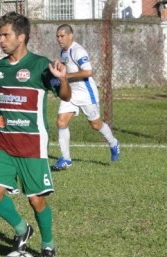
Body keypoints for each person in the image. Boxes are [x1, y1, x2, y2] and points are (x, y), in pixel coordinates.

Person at [0, 12, 71, 257]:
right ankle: (22, 229)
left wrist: (62, 79)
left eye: (6, 34)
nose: (1, 40)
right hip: (3, 142)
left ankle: (48, 245)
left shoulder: (40, 65)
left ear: (21, 37)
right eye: (0, 35)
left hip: (32, 144)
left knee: (36, 199)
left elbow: (64, 96)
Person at [51, 24, 120, 171]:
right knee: (61, 122)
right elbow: (67, 64)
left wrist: (66, 76)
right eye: (57, 36)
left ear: (71, 36)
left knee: (95, 124)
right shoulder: (64, 51)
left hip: (86, 93)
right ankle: (66, 159)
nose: (59, 39)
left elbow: (88, 72)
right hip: (71, 92)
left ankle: (113, 143)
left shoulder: (78, 51)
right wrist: (59, 65)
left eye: (62, 36)